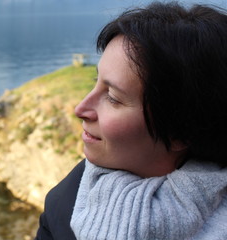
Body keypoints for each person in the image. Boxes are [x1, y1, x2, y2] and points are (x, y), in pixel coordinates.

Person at [35, 1, 227, 239]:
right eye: (96, 81)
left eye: (113, 98)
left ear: (181, 131)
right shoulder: (71, 195)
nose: (80, 109)